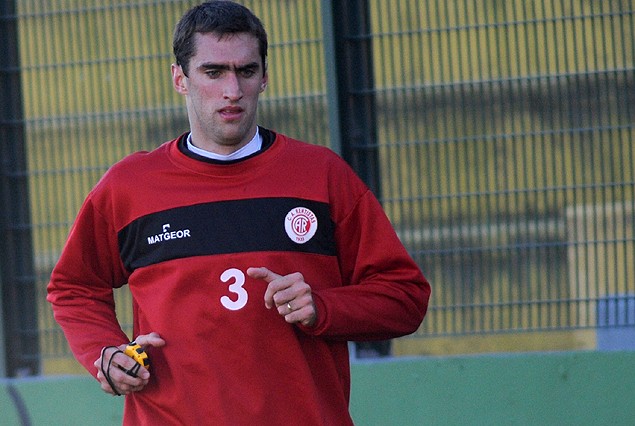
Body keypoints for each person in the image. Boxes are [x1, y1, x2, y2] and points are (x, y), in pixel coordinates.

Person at [47, 1, 431, 424]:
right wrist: (105, 352)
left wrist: (323, 307)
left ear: (264, 77)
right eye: (213, 72)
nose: (232, 90)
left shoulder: (322, 176)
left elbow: (405, 298)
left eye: (245, 71)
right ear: (180, 78)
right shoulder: (129, 186)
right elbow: (74, 288)